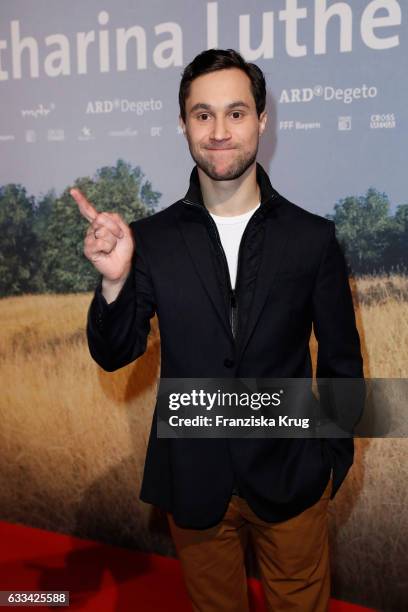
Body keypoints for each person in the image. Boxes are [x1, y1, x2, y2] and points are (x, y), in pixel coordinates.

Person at [71, 49, 364, 612]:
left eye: (236, 112)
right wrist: (114, 283)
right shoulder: (149, 239)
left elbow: (342, 361)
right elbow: (114, 354)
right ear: (183, 124)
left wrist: (331, 459)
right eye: (203, 114)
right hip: (194, 482)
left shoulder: (312, 237)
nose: (220, 131)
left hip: (293, 479)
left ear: (262, 120)